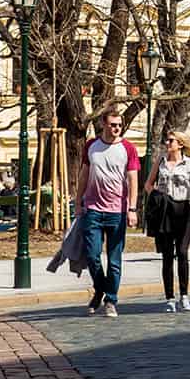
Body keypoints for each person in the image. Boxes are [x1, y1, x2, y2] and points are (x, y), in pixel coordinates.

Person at [73, 108, 139, 318]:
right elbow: (84, 174)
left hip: (117, 212)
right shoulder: (92, 146)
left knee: (114, 260)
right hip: (92, 209)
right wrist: (78, 201)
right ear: (103, 123)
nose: (116, 128)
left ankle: (110, 299)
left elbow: (133, 180)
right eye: (112, 124)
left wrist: (132, 208)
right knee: (92, 256)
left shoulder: (127, 148)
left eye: (119, 125)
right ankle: (100, 288)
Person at [142, 132, 190, 312]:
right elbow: (148, 184)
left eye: (171, 140)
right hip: (164, 212)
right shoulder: (160, 161)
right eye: (167, 140)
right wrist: (156, 197)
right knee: (167, 257)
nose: (167, 143)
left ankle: (184, 295)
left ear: (181, 144)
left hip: (183, 210)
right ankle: (170, 298)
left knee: (182, 253)